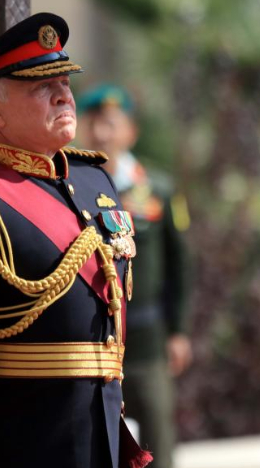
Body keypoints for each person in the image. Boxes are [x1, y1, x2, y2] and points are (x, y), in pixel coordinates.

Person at [0, 13, 151, 468]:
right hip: (24, 445)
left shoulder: (95, 181)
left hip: (103, 441)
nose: (63, 94)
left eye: (64, 81)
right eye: (42, 86)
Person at [76, 85, 191, 468]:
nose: (102, 133)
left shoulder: (157, 189)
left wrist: (178, 330)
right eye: (93, 124)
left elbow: (180, 266)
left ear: (131, 131)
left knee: (159, 441)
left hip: (147, 338)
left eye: (111, 124)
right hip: (93, 338)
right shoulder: (72, 187)